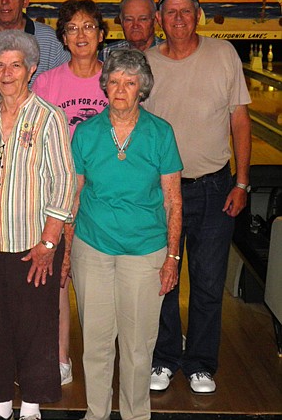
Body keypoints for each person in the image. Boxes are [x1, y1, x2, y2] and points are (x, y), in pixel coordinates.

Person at [144, 0, 252, 394]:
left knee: (208, 281)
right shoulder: (148, 62)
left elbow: (239, 121)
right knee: (162, 279)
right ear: (160, 20)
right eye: (170, 12)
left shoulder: (223, 54)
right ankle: (165, 357)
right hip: (162, 193)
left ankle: (202, 363)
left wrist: (242, 182)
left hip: (213, 187)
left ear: (198, 15)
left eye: (185, 11)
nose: (178, 18)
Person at [0, 30, 76, 420]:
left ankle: (30, 408)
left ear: (31, 70)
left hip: (33, 243)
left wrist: (49, 243)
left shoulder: (49, 116)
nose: (7, 72)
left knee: (34, 326)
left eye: (15, 65)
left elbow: (62, 182)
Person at [69, 49, 183, 420]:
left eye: (129, 83)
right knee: (97, 344)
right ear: (105, 86)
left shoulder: (160, 133)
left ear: (141, 89)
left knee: (137, 347)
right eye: (115, 81)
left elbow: (173, 201)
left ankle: (136, 415)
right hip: (93, 248)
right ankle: (96, 413)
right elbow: (73, 197)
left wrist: (172, 257)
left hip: (145, 252)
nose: (121, 89)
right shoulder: (86, 133)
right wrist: (66, 252)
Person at [32, 0, 108, 386]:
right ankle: (60, 358)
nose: (81, 35)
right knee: (59, 280)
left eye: (89, 26)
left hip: (103, 197)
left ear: (100, 34)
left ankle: (99, 360)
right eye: (72, 28)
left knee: (94, 284)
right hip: (59, 195)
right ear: (63, 36)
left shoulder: (115, 78)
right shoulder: (47, 82)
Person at [99, 0, 164, 61]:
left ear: (155, 21)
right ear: (121, 21)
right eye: (129, 19)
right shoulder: (108, 54)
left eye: (142, 19)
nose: (135, 25)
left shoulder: (169, 53)